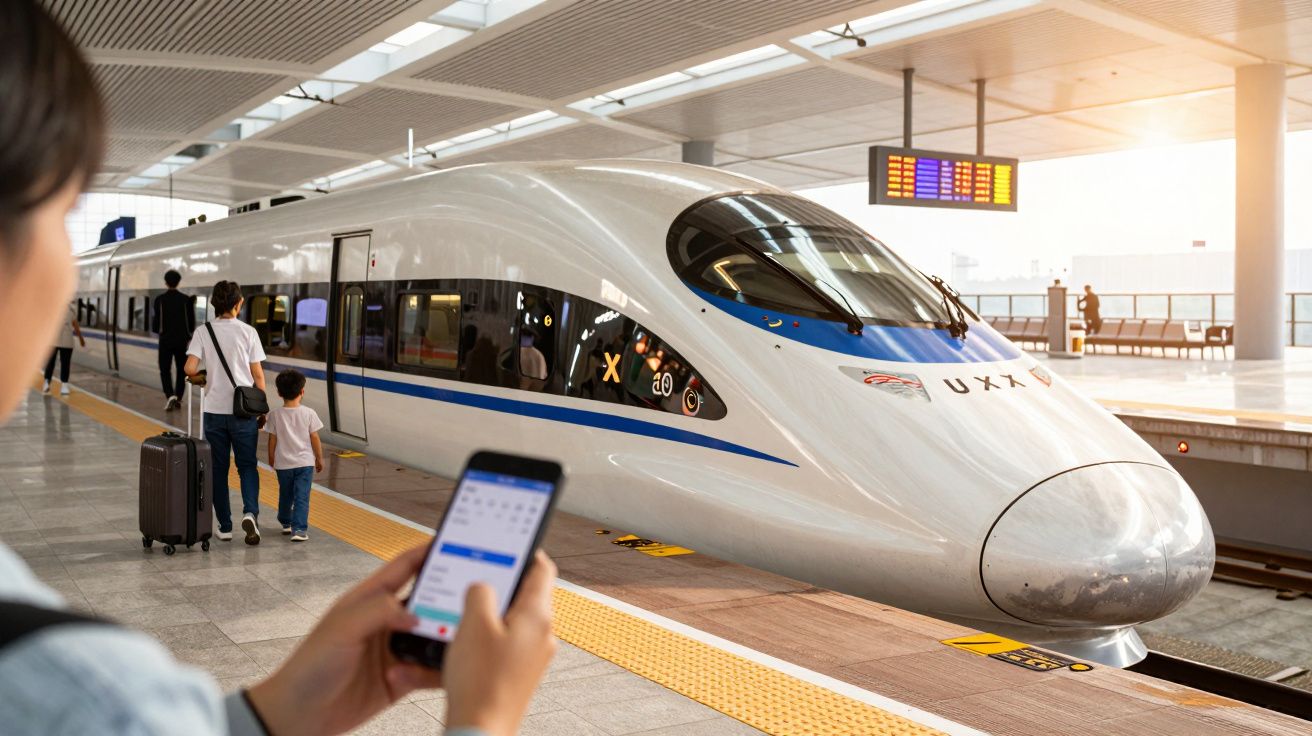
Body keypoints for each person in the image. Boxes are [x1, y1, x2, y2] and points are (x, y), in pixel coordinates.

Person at [0, 2, 556, 734]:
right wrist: (485, 714)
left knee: (233, 474)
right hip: (249, 418)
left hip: (226, 420)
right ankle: (255, 519)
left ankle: (238, 520)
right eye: (64, 211)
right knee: (250, 474)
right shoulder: (87, 695)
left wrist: (277, 710)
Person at [184, 280, 266, 545]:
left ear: (214, 305)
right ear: (238, 304)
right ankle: (250, 514)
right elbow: (258, 377)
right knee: (247, 466)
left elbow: (189, 368)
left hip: (215, 411)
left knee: (218, 469)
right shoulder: (248, 332)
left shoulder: (203, 331)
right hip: (244, 411)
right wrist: (261, 410)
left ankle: (226, 525)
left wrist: (205, 377)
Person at [265, 369, 323, 542]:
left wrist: (271, 458)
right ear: (302, 391)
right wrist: (319, 458)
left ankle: (285, 521)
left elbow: (272, 439)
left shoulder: (274, 415)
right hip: (305, 463)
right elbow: (314, 437)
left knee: (286, 494)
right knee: (302, 496)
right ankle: (299, 529)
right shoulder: (309, 413)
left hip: (283, 464)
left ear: (279, 392)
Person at [154, 268, 195, 411]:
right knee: (181, 370)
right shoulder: (186, 300)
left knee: (164, 369)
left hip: (165, 340)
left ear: (166, 282)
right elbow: (191, 323)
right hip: (181, 341)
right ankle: (178, 397)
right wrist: (187, 336)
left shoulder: (160, 300)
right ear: (178, 282)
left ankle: (169, 395)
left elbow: (155, 325)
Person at [42, 300, 85, 396]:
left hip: (67, 340)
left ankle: (64, 385)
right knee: (50, 362)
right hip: (53, 340)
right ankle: (46, 382)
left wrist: (81, 338)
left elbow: (75, 324)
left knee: (65, 363)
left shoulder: (71, 310)